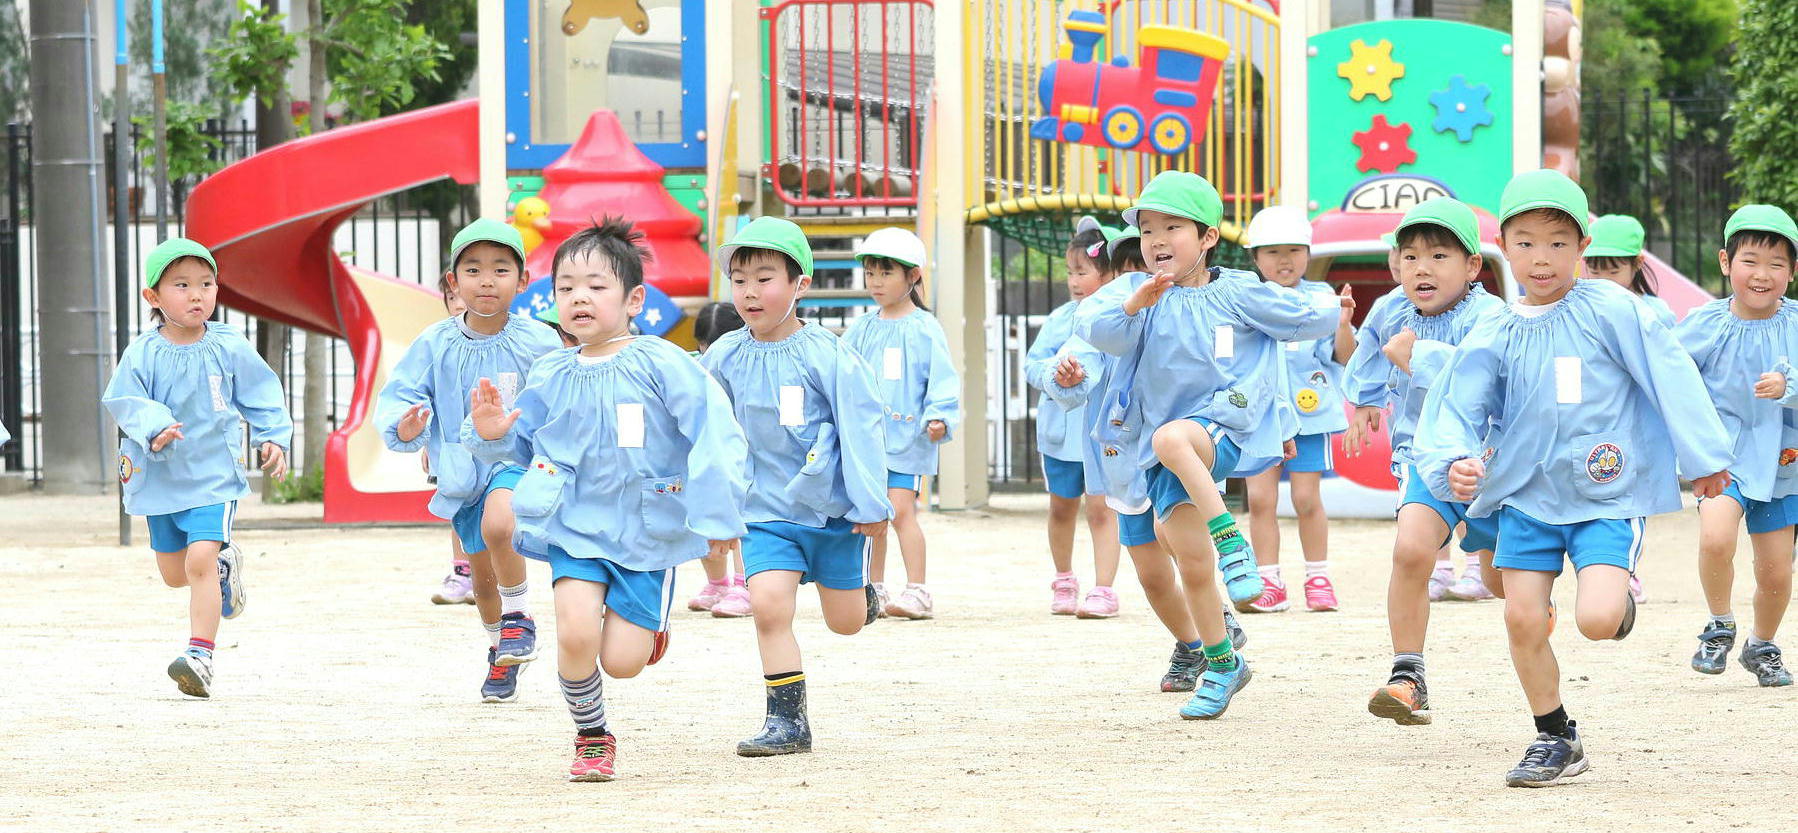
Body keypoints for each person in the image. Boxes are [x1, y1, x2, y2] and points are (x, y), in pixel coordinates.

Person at [1415, 169, 1733, 787]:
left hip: (1603, 495)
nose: (1542, 258)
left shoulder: (1613, 308)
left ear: (1583, 245)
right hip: (1527, 498)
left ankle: (1613, 609)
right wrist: (1453, 459)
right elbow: (1457, 403)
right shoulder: (1496, 328)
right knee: (1520, 617)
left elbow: (1668, 372)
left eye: (1558, 243)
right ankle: (1555, 735)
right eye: (1527, 242)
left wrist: (1704, 459)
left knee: (1595, 619)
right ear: (1503, 248)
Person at [466, 217, 749, 781]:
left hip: (647, 532)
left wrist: (719, 516)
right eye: (566, 287)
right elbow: (520, 447)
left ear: (634, 298)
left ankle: (650, 627)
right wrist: (493, 431)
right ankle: (592, 735)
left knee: (622, 662)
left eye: (596, 286)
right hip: (573, 524)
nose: (579, 298)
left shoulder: (663, 362)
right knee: (574, 633)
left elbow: (716, 435)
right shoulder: (549, 370)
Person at [1079, 171, 1342, 719]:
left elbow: (1303, 319)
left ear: (1206, 238)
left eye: (1172, 227)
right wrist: (1137, 303)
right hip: (1163, 454)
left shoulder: (1240, 289)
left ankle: (1234, 542)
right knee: (1192, 567)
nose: (1156, 239)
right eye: (1148, 228)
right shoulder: (1134, 292)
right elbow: (1095, 329)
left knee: (1175, 437)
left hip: (1225, 426)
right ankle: (1223, 663)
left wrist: (1331, 307)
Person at [703, 216, 891, 756]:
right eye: (740, 280)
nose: (750, 292)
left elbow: (861, 430)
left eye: (765, 278)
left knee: (847, 623)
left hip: (831, 513)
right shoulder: (722, 357)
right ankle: (787, 722)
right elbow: (705, 432)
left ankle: (862, 593)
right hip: (763, 511)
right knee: (767, 605)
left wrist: (872, 507)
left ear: (800, 283)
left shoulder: (828, 355)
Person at [377, 218, 564, 703]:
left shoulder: (541, 341)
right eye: (474, 269)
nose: (487, 280)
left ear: (522, 282)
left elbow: (564, 396)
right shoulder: (434, 342)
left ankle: (520, 617)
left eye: (501, 269)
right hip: (461, 474)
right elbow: (401, 394)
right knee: (482, 583)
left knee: (502, 526)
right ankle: (500, 649)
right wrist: (407, 425)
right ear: (453, 282)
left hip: (515, 463)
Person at [103, 237, 292, 698]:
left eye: (206, 284)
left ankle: (200, 655)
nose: (196, 295)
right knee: (174, 574)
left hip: (214, 476)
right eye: (182, 285)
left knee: (200, 560)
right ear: (153, 298)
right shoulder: (142, 354)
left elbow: (262, 393)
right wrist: (155, 425)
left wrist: (273, 437)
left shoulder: (228, 344)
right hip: (161, 476)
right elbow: (123, 401)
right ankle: (226, 571)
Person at [1345, 199, 1507, 726]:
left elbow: (1490, 386)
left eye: (1439, 255)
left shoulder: (1491, 316)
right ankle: (1407, 674)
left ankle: (1532, 603)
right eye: (1410, 256)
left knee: (1503, 577)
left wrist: (1421, 358)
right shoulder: (1392, 308)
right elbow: (1370, 352)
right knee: (1411, 552)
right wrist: (1367, 398)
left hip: (1491, 460)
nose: (1422, 268)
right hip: (1426, 454)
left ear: (1472, 267)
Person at [1677, 204, 1798, 688]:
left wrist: (1789, 387)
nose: (1762, 275)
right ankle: (1719, 623)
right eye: (1750, 261)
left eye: (1776, 264)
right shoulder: (1704, 324)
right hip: (1721, 459)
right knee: (1715, 538)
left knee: (1775, 571)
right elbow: (1670, 374)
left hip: (1783, 465)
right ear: (1727, 262)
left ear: (1793, 270)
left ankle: (1762, 644)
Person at [1239, 205, 1356, 613]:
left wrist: (1342, 322)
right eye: (1272, 252)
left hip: (1310, 417)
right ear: (1255, 258)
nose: (1284, 260)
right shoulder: (1245, 298)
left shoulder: (1322, 298)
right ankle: (1268, 581)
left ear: (1308, 253)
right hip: (1259, 417)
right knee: (1260, 500)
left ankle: (1318, 577)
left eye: (1294, 250)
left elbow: (1344, 358)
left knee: (1307, 498)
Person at [841, 227, 960, 620]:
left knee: (901, 511)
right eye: (871, 272)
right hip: (868, 442)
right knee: (871, 515)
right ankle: (873, 587)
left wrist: (939, 415)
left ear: (912, 276)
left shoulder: (926, 328)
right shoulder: (861, 328)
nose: (875, 281)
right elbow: (844, 375)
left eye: (885, 272)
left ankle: (918, 590)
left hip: (908, 438)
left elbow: (942, 379)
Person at [1025, 218, 1123, 618]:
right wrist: (1056, 377)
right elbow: (1033, 365)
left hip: (1103, 435)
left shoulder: (1120, 317)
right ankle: (1064, 578)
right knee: (1061, 507)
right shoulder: (1060, 318)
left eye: (1083, 272)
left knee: (1102, 510)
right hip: (1060, 436)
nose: (1073, 281)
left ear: (1110, 274)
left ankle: (1104, 589)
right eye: (1070, 272)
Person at [686, 301, 755, 616]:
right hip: (706, 455)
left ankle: (745, 584)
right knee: (704, 520)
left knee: (744, 521)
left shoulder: (748, 365)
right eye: (705, 345)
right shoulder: (691, 369)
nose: (711, 353)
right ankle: (718, 583)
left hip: (744, 457)